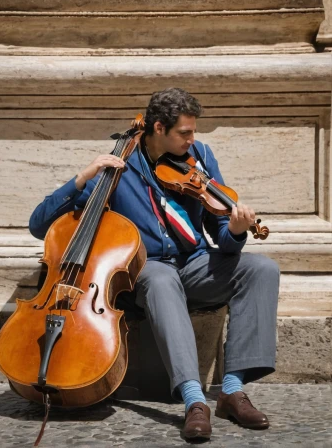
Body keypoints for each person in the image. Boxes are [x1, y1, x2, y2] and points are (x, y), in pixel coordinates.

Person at [29, 87, 280, 440]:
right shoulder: (119, 165)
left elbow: (222, 235)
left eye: (194, 132)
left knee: (262, 269)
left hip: (193, 263)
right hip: (146, 267)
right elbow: (39, 225)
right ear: (158, 128)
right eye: (185, 133)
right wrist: (83, 176)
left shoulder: (200, 157)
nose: (192, 140)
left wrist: (236, 230)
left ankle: (232, 391)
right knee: (161, 279)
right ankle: (194, 400)